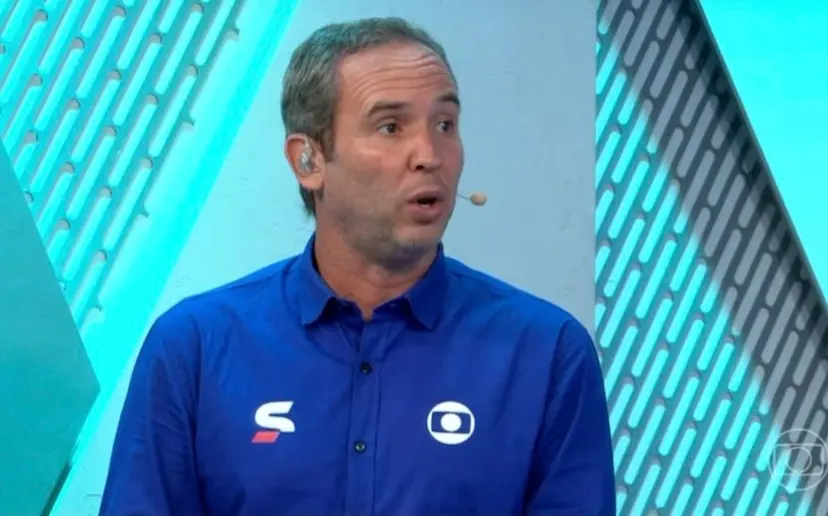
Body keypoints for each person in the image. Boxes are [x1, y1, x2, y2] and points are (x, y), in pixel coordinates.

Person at [99, 16, 616, 516]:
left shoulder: (546, 354)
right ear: (308, 161)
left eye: (445, 124)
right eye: (390, 127)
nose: (429, 155)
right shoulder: (195, 348)